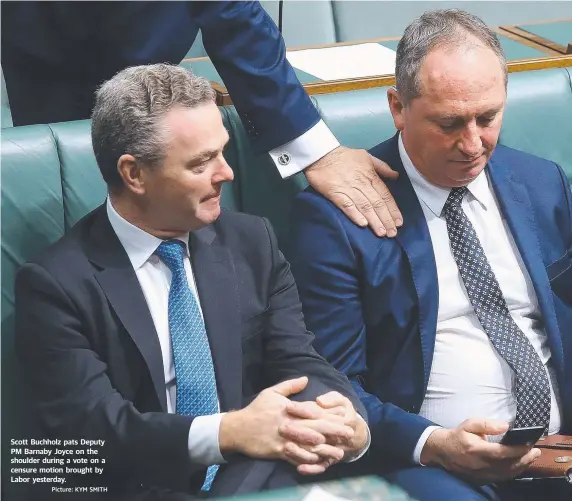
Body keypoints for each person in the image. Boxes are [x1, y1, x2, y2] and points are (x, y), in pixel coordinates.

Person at [14, 64, 370, 501]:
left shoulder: (251, 242)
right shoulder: (56, 284)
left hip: (254, 481)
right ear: (134, 174)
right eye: (202, 162)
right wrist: (227, 433)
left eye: (222, 152)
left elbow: (297, 359)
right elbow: (90, 436)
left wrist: (341, 414)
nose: (227, 173)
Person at [287, 9, 572, 501]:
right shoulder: (336, 219)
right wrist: (432, 444)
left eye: (488, 117)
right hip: (436, 468)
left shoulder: (541, 185)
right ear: (398, 107)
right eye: (450, 123)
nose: (473, 144)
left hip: (569, 452)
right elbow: (333, 384)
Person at [1, 0, 402, 239]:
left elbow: (238, 22)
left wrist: (317, 152)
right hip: (47, 60)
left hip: (145, 56)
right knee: (70, 227)